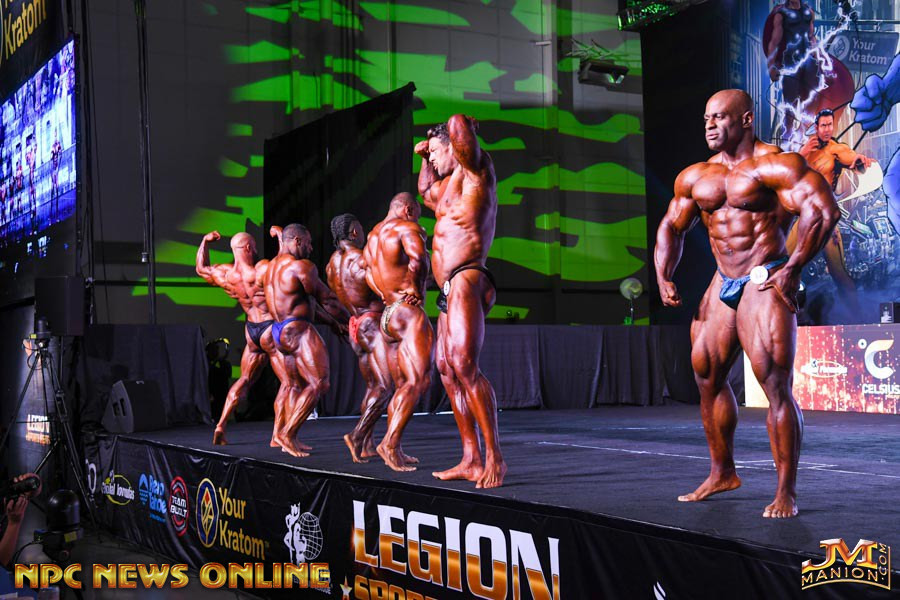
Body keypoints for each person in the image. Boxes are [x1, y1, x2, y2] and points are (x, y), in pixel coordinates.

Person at [655, 89, 839, 518]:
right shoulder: (696, 176)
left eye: (719, 117)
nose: (710, 125)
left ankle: (785, 492)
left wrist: (793, 267)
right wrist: (663, 274)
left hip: (765, 275)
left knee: (774, 383)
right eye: (706, 118)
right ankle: (722, 472)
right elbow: (671, 226)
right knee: (706, 373)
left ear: (746, 119)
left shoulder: (777, 164)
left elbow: (823, 210)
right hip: (722, 279)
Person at [415, 114, 506, 488]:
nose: (434, 159)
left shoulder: (476, 172)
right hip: (448, 288)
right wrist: (425, 157)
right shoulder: (447, 188)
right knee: (446, 369)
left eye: (438, 152)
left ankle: (495, 458)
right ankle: (471, 458)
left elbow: (458, 129)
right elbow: (424, 193)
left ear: (455, 146)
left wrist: (458, 124)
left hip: (469, 278)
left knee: (465, 366)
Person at [196, 229, 290, 450]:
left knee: (245, 379)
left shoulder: (226, 274)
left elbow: (201, 268)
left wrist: (205, 242)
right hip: (268, 328)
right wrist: (280, 237)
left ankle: (221, 425)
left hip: (251, 330)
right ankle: (277, 435)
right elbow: (283, 266)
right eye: (254, 247)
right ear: (248, 248)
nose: (256, 250)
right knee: (288, 382)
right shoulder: (260, 269)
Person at [363, 194, 433, 471]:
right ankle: (390, 444)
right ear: (408, 209)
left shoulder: (373, 236)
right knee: (418, 381)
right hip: (406, 312)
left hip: (388, 314)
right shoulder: (407, 227)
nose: (417, 220)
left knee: (404, 383)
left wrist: (383, 293)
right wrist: (416, 288)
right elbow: (419, 259)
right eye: (416, 213)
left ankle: (396, 447)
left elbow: (368, 272)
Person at [264, 223, 347, 457]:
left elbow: (307, 305)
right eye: (308, 243)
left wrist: (333, 324)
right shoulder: (301, 267)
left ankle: (284, 436)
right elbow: (327, 300)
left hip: (278, 331)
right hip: (298, 330)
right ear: (297, 241)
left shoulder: (270, 268)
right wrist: (352, 318)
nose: (311, 249)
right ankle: (288, 433)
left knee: (293, 385)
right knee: (320, 382)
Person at [787, 109, 871, 318]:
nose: (827, 129)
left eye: (830, 125)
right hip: (805, 217)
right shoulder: (805, 149)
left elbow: (851, 157)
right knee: (783, 264)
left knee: (839, 273)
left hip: (825, 219)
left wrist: (859, 160)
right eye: (823, 125)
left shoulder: (836, 149)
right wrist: (803, 153)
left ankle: (859, 317)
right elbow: (788, 173)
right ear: (816, 127)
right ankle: (787, 317)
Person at [325, 213, 395, 463]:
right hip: (372, 323)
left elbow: (334, 299)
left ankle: (367, 444)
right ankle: (357, 435)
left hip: (355, 324)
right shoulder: (362, 259)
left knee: (373, 386)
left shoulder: (332, 264)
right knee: (385, 386)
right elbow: (384, 288)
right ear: (354, 232)